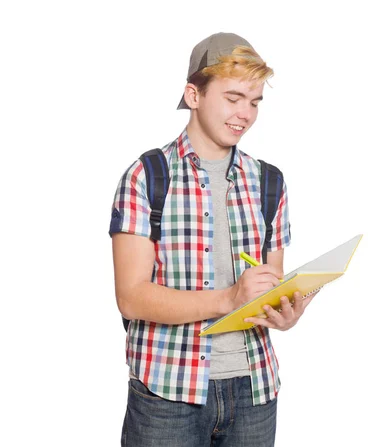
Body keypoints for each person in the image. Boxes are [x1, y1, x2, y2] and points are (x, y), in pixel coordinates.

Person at [110, 32, 315, 446]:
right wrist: (229, 299)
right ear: (194, 95)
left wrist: (285, 313)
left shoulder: (269, 181)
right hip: (168, 394)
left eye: (255, 102)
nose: (246, 114)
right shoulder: (147, 176)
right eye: (234, 97)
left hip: (254, 390)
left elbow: (267, 286)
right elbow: (131, 297)